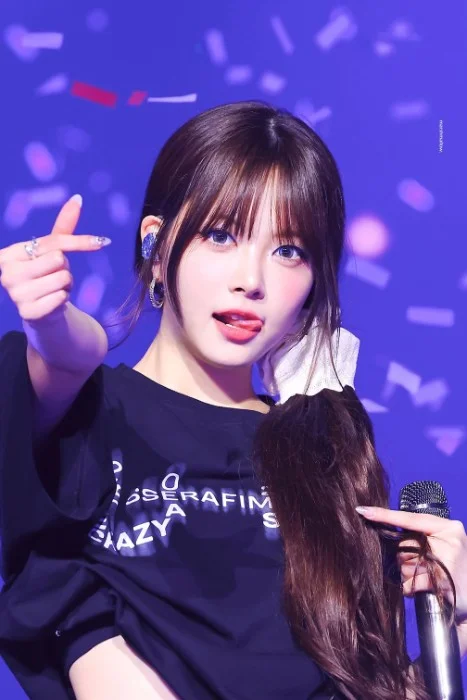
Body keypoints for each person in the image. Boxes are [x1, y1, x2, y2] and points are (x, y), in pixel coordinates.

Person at [0, 101, 464, 700]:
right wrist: (55, 333)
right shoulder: (86, 413)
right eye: (221, 235)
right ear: (156, 245)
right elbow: (57, 367)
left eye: (289, 251)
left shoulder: (325, 456)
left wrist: (457, 623)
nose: (252, 280)